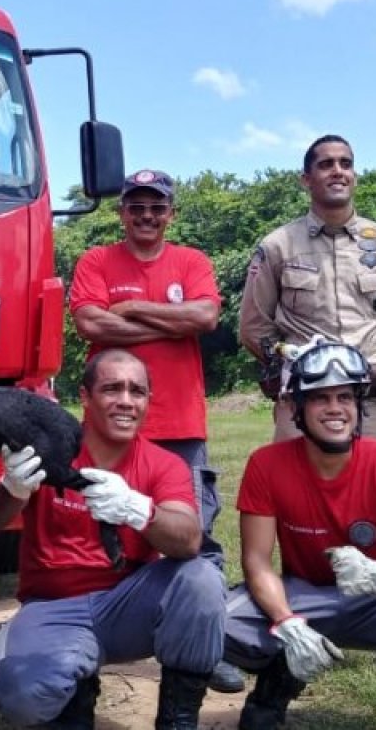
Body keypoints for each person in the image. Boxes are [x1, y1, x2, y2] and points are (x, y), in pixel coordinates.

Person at [223, 337, 376, 730]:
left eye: (345, 397)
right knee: (218, 619)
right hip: (305, 596)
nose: (335, 409)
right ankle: (278, 682)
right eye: (320, 398)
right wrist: (284, 621)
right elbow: (256, 560)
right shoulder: (266, 465)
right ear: (298, 409)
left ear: (359, 406)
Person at [0, 349, 229, 729]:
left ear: (148, 400)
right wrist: (12, 487)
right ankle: (69, 683)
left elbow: (188, 539)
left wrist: (138, 509)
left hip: (127, 604)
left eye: (137, 391)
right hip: (53, 606)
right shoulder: (50, 450)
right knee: (22, 699)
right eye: (112, 389)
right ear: (85, 397)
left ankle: (177, 718)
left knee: (201, 579)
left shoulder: (164, 464)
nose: (126, 402)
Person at [69, 168, 245, 693]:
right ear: (122, 211)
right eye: (136, 206)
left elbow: (207, 317)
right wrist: (171, 319)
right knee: (98, 527)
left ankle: (205, 644)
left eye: (157, 206)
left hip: (180, 424)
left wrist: (132, 309)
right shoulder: (96, 260)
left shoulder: (191, 260)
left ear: (171, 213)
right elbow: (91, 325)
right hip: (110, 426)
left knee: (196, 535)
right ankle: (88, 639)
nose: (146, 215)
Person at [238, 134, 376, 452]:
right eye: (326, 164)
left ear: (355, 177)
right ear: (306, 180)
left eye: (346, 164)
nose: (337, 171)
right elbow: (254, 327)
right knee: (298, 498)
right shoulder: (277, 246)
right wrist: (281, 366)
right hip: (304, 399)